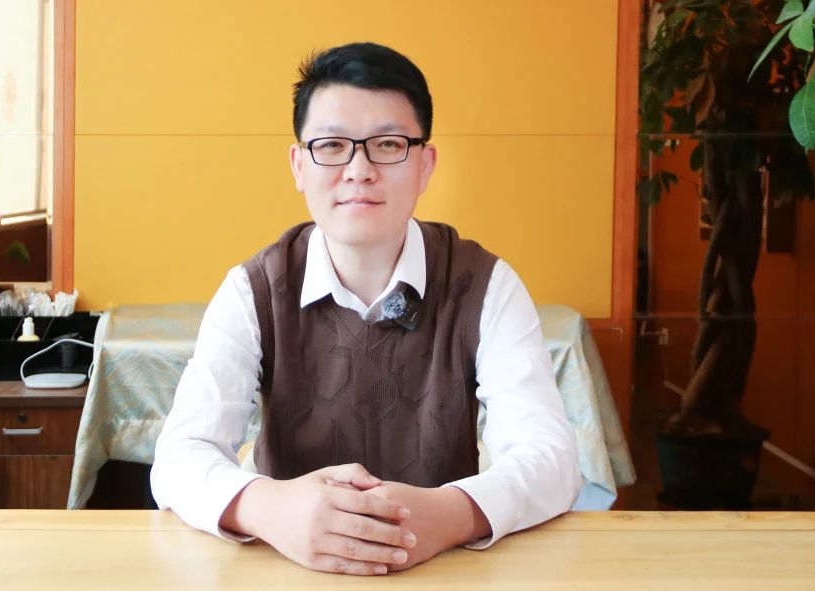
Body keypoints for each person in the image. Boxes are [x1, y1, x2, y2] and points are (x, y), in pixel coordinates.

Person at [151, 42, 580, 575]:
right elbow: (180, 455)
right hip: (288, 571)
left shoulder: (485, 284)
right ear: (298, 165)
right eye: (332, 145)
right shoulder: (254, 288)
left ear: (425, 165)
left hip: (444, 570)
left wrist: (450, 514)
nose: (359, 169)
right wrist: (269, 508)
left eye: (388, 144)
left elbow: (551, 457)